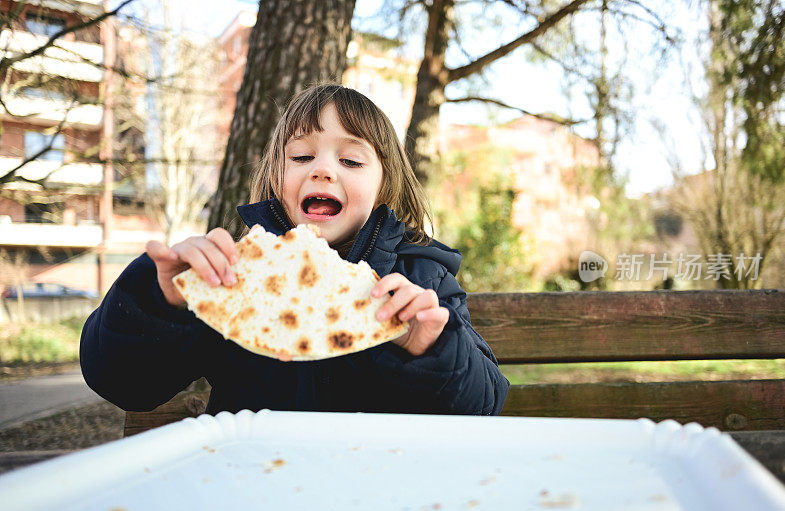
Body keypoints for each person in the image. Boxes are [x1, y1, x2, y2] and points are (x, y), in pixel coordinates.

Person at [80, 83, 509, 416]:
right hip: (253, 481)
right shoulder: (232, 275)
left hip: (378, 487)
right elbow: (124, 386)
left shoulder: (421, 279)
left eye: (352, 161)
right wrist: (163, 304)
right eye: (302, 156)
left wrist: (427, 350)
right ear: (277, 178)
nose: (322, 169)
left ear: (384, 185)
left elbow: (485, 403)